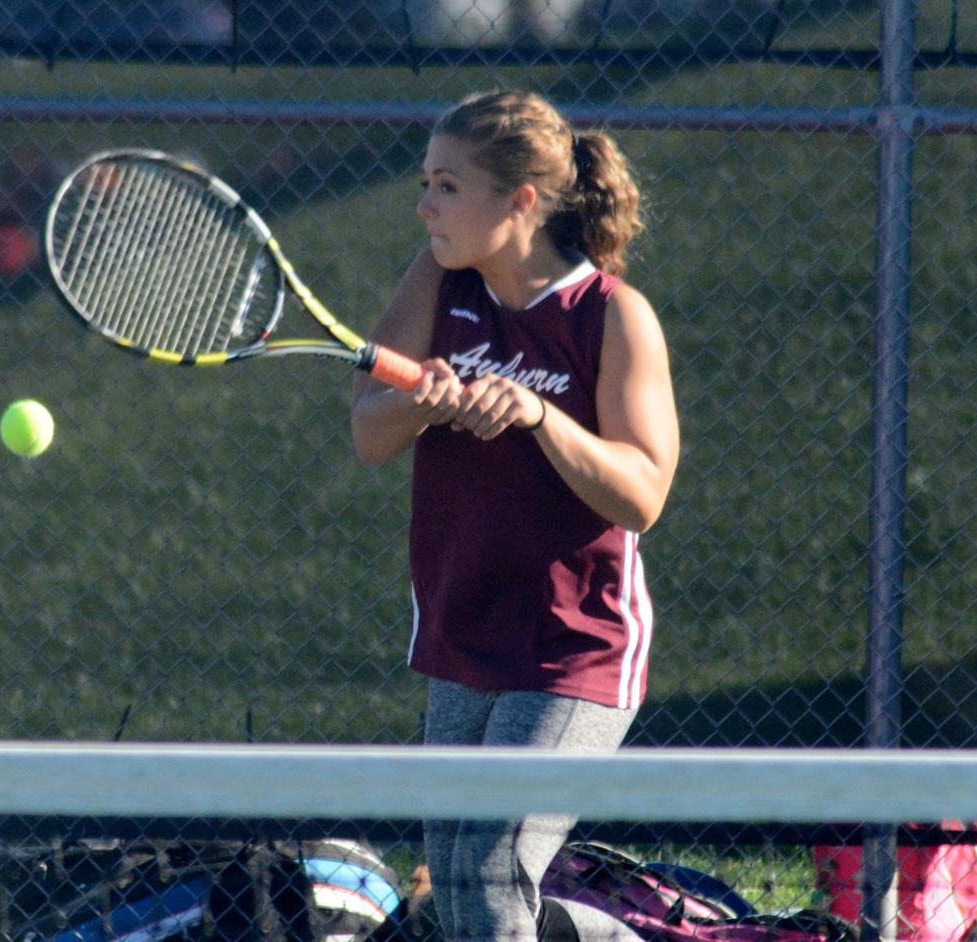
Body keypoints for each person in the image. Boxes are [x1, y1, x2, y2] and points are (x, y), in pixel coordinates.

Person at [350, 89, 680, 942]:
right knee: (461, 883)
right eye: (426, 182)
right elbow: (368, 432)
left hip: (577, 643)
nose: (425, 204)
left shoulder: (611, 316)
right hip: (465, 629)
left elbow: (643, 492)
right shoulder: (438, 280)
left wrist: (539, 417)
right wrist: (421, 404)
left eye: (448, 186)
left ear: (520, 201)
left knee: (491, 866)